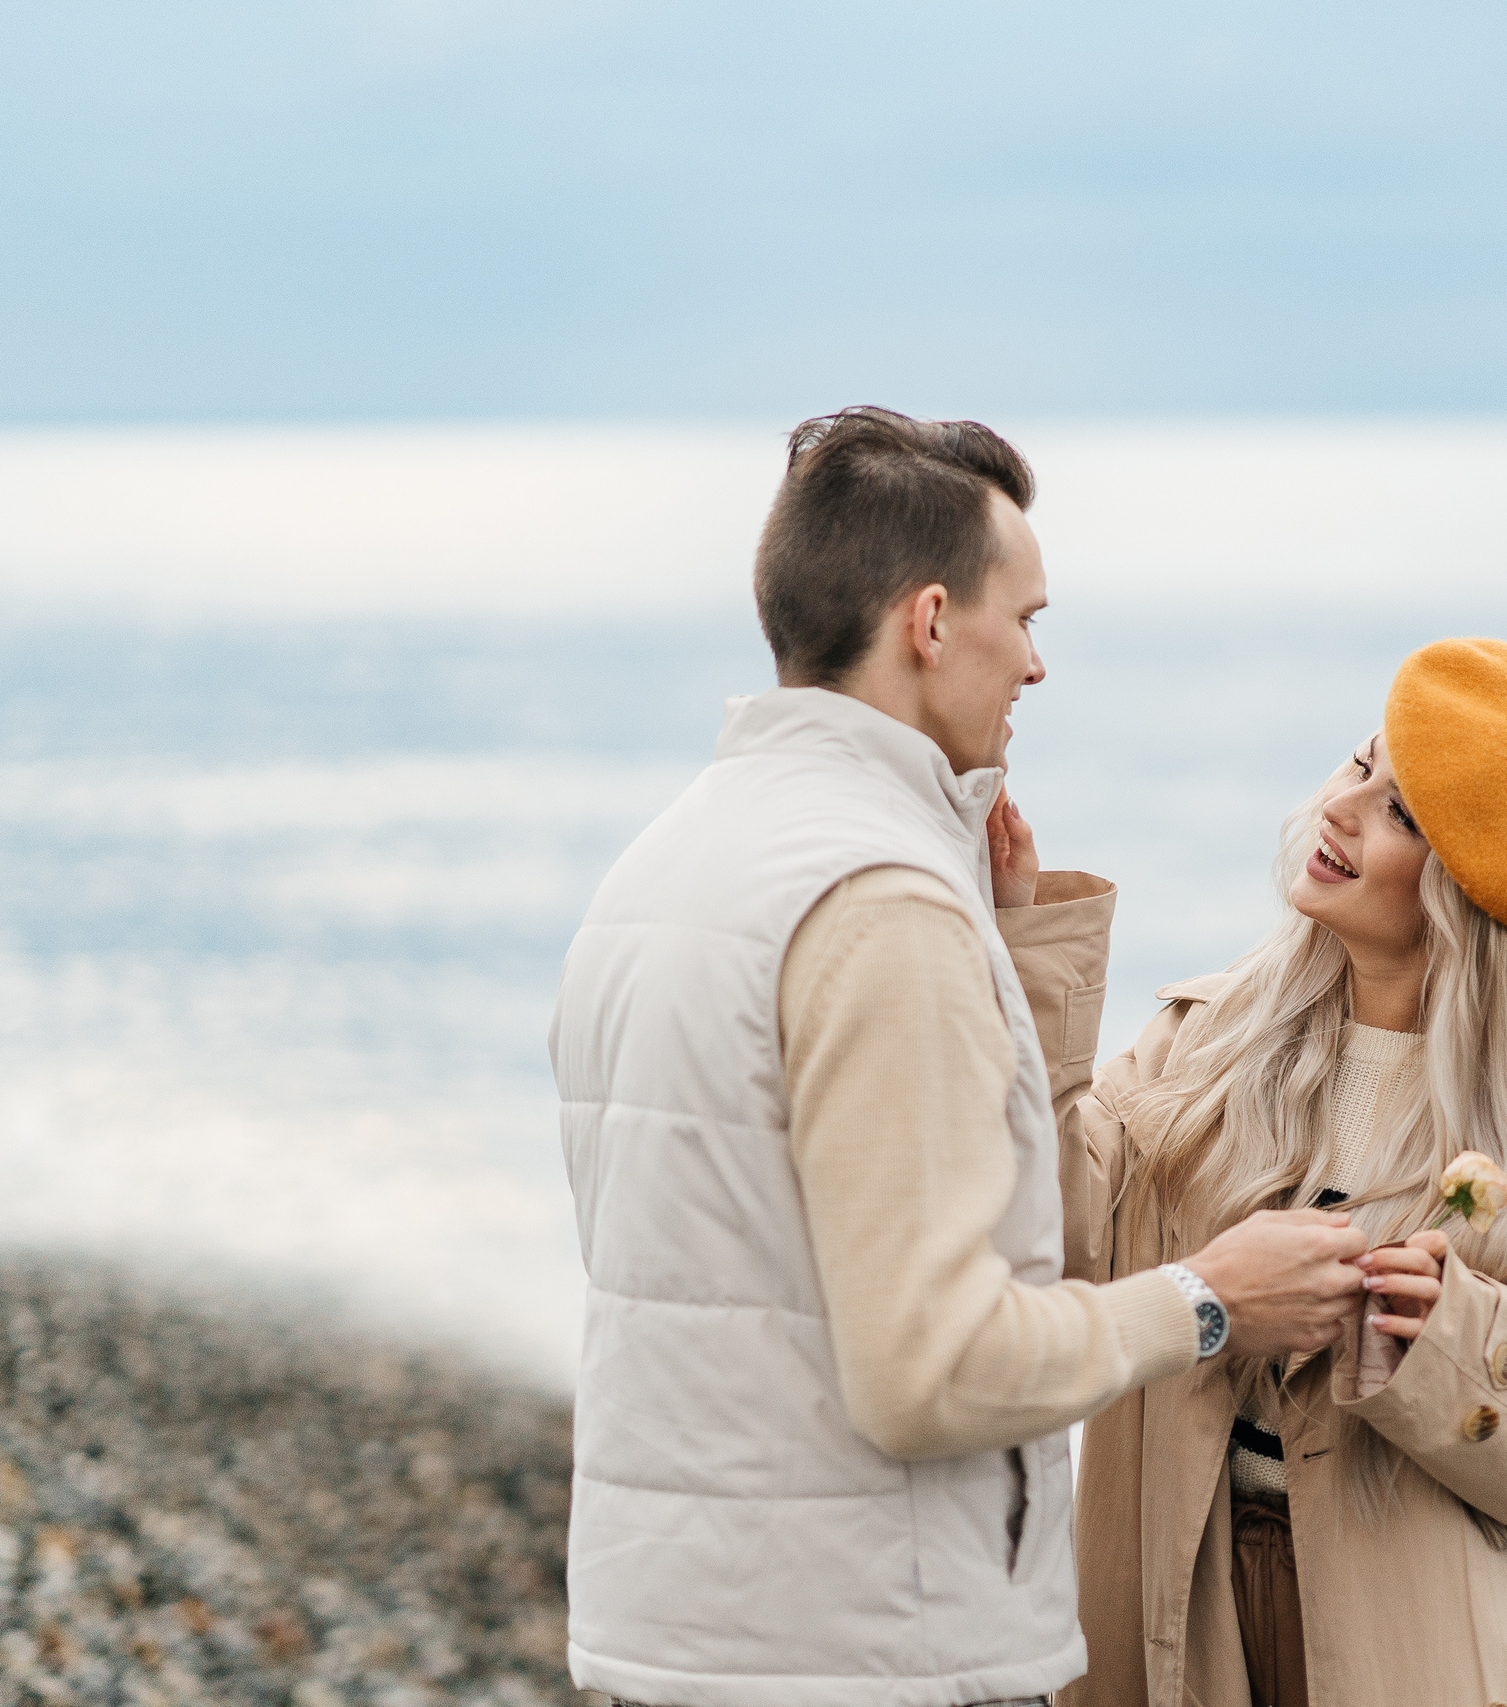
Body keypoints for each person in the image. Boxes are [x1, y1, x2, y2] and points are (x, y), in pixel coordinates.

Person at [549, 407, 1370, 1707]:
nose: (1038, 665)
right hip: (869, 1649)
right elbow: (930, 1370)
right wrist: (1212, 1298)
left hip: (687, 1631)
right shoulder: (882, 909)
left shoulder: (668, 864)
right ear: (930, 622)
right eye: (1026, 617)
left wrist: (1010, 955)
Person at [1053, 638, 1507, 1707]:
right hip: (1175, 1619)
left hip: (1430, 1654)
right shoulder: (1196, 1047)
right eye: (1358, 767)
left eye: (1400, 813)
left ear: (1470, 894)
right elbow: (1038, 1232)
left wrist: (1450, 1343)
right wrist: (1021, 957)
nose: (1339, 812)